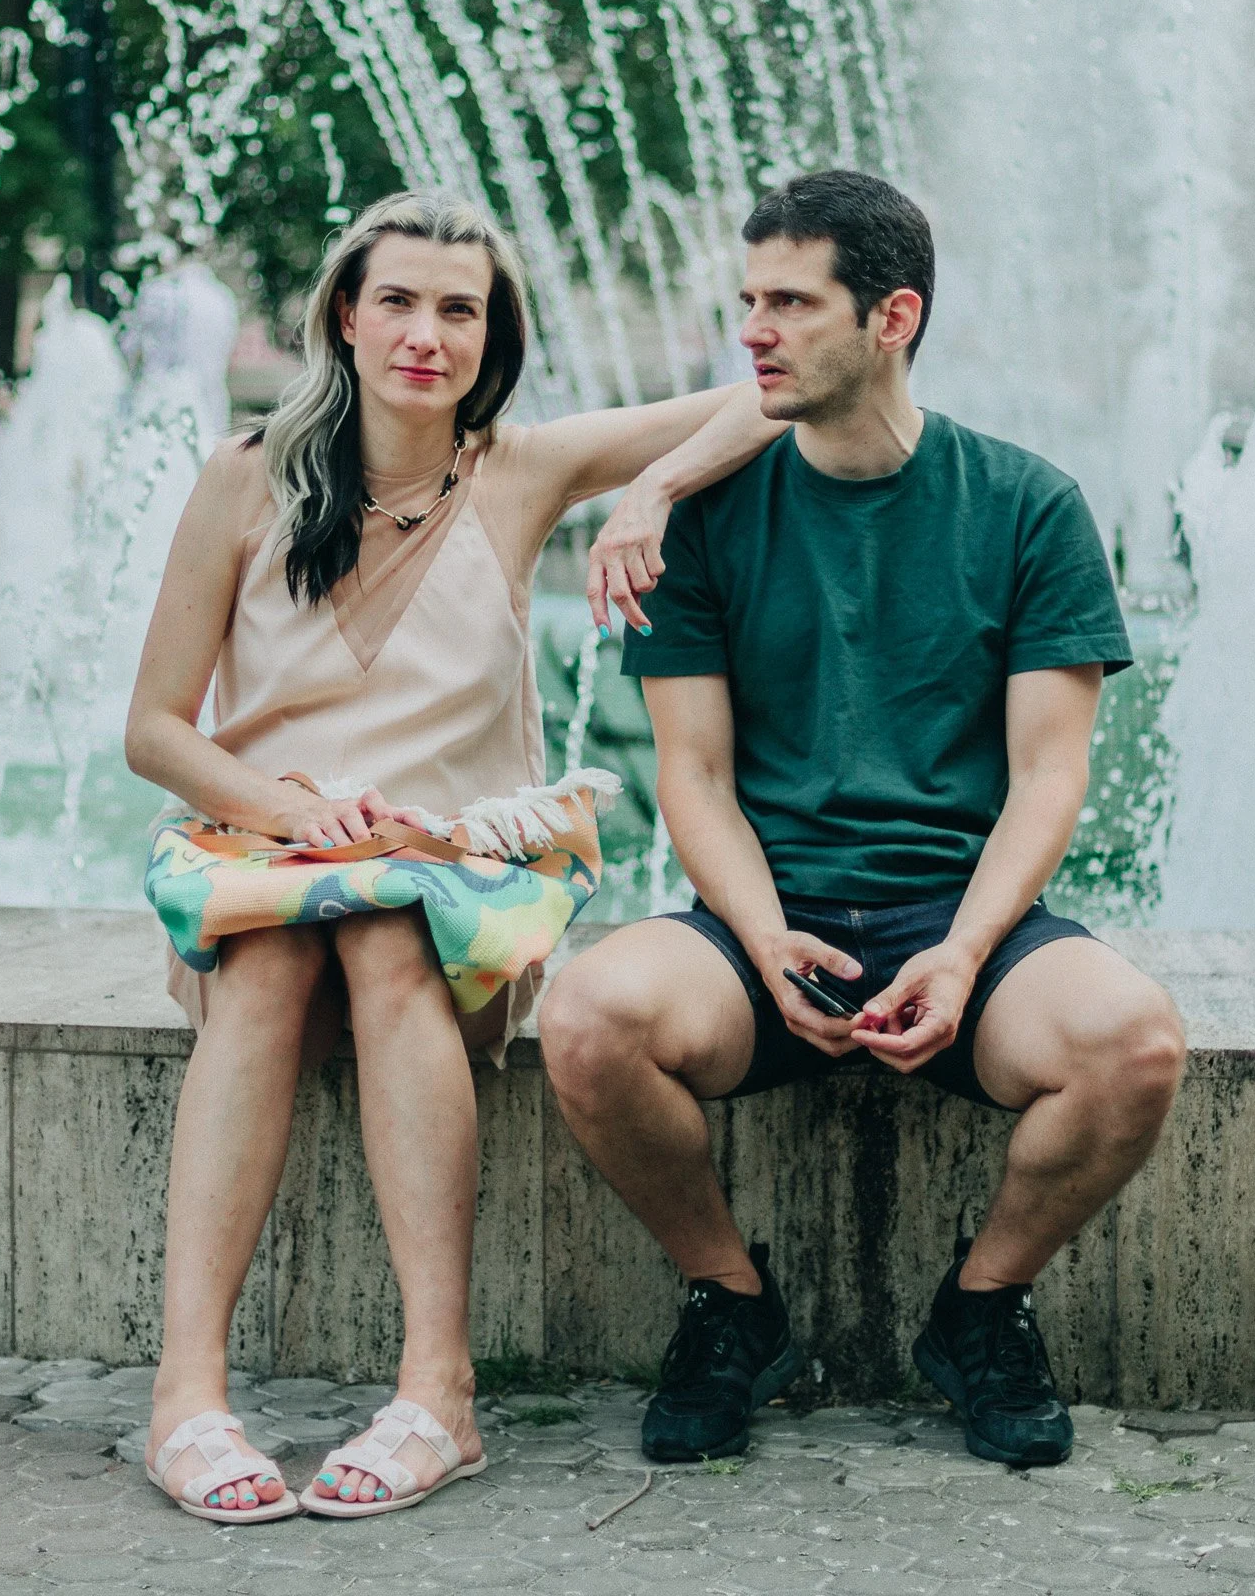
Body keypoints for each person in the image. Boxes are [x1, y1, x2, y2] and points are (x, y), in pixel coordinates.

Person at [124, 191, 785, 1524]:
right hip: (266, 871)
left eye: (459, 309)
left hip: (456, 900)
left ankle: (440, 1394)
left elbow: (772, 395)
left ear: (494, 335)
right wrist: (292, 817)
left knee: (384, 926)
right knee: (274, 953)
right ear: (344, 318)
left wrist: (653, 488)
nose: (426, 335)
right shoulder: (246, 477)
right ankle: (186, 1397)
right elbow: (154, 730)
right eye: (398, 302)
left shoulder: (520, 472)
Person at [540, 168, 1187, 1471]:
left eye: (790, 303)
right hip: (761, 922)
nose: (753, 332)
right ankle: (729, 1298)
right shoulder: (701, 520)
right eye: (748, 301)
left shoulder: (1030, 506)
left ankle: (983, 1306)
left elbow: (1048, 779)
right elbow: (694, 777)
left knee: (1137, 1044)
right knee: (589, 1019)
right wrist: (764, 938)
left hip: (963, 925)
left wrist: (963, 951)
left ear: (894, 318)